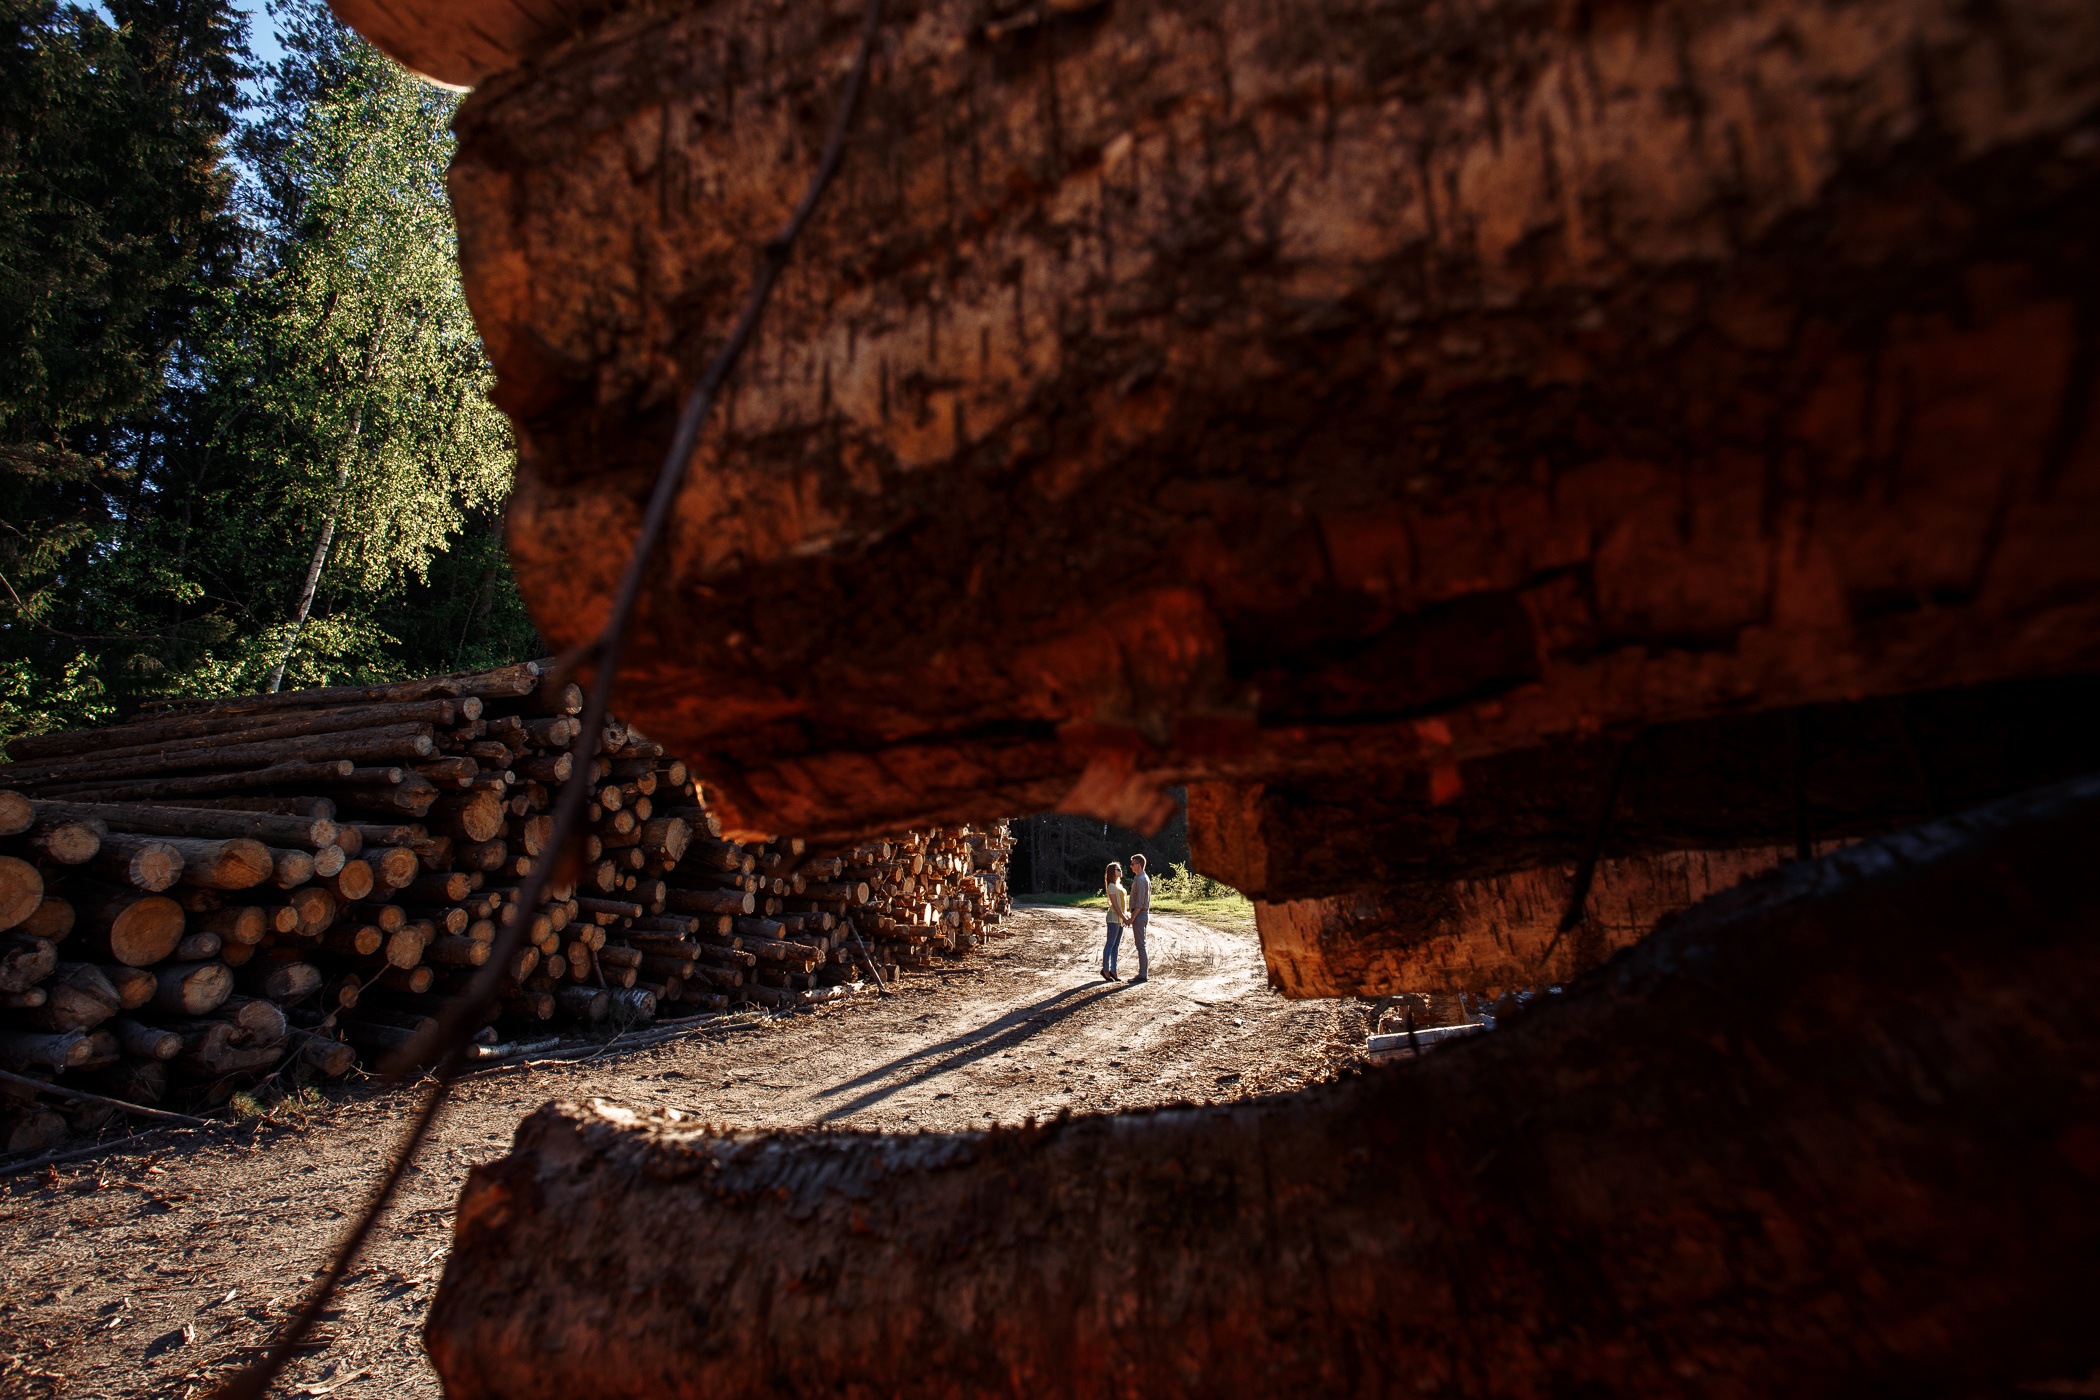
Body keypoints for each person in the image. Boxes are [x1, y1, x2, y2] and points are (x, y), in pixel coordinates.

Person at [1101, 862, 1130, 981]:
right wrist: (1123, 917)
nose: (1120, 871)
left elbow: (1123, 904)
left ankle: (1114, 969)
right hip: (1114, 918)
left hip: (1120, 918)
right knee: (1110, 944)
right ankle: (1105, 969)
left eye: (1120, 869)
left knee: (1116, 945)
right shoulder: (1111, 886)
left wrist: (1125, 916)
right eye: (1118, 869)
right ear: (1113, 872)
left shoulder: (1119, 886)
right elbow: (1115, 905)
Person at [1127, 853, 1151, 983]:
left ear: (1139, 865)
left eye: (1132, 864)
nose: (1131, 867)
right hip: (1140, 914)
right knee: (1140, 944)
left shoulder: (1141, 880)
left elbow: (1140, 903)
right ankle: (1142, 973)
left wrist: (1132, 918)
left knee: (1141, 945)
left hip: (1140, 914)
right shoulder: (1139, 878)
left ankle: (1143, 974)